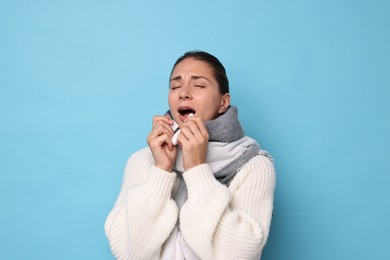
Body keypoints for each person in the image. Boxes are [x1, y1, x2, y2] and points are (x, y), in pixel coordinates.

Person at [105, 51, 276, 260]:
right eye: (175, 86)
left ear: (224, 102)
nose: (183, 93)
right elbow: (130, 253)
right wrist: (161, 171)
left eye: (199, 85)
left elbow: (240, 255)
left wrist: (196, 170)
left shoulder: (252, 165)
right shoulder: (144, 161)